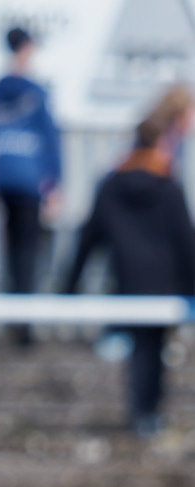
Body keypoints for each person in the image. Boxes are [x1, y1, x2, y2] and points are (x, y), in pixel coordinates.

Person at [64, 87, 195, 437]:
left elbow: (89, 235)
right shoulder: (168, 187)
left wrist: (69, 286)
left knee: (140, 348)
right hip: (164, 282)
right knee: (154, 348)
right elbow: (185, 240)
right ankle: (148, 414)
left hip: (127, 279)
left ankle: (140, 412)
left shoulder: (111, 184)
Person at [0, 25, 62, 342]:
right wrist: (55, 183)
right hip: (29, 181)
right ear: (26, 49)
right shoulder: (36, 92)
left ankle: (14, 321)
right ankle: (23, 326)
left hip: (2, 179)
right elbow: (50, 139)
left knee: (12, 251)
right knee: (28, 253)